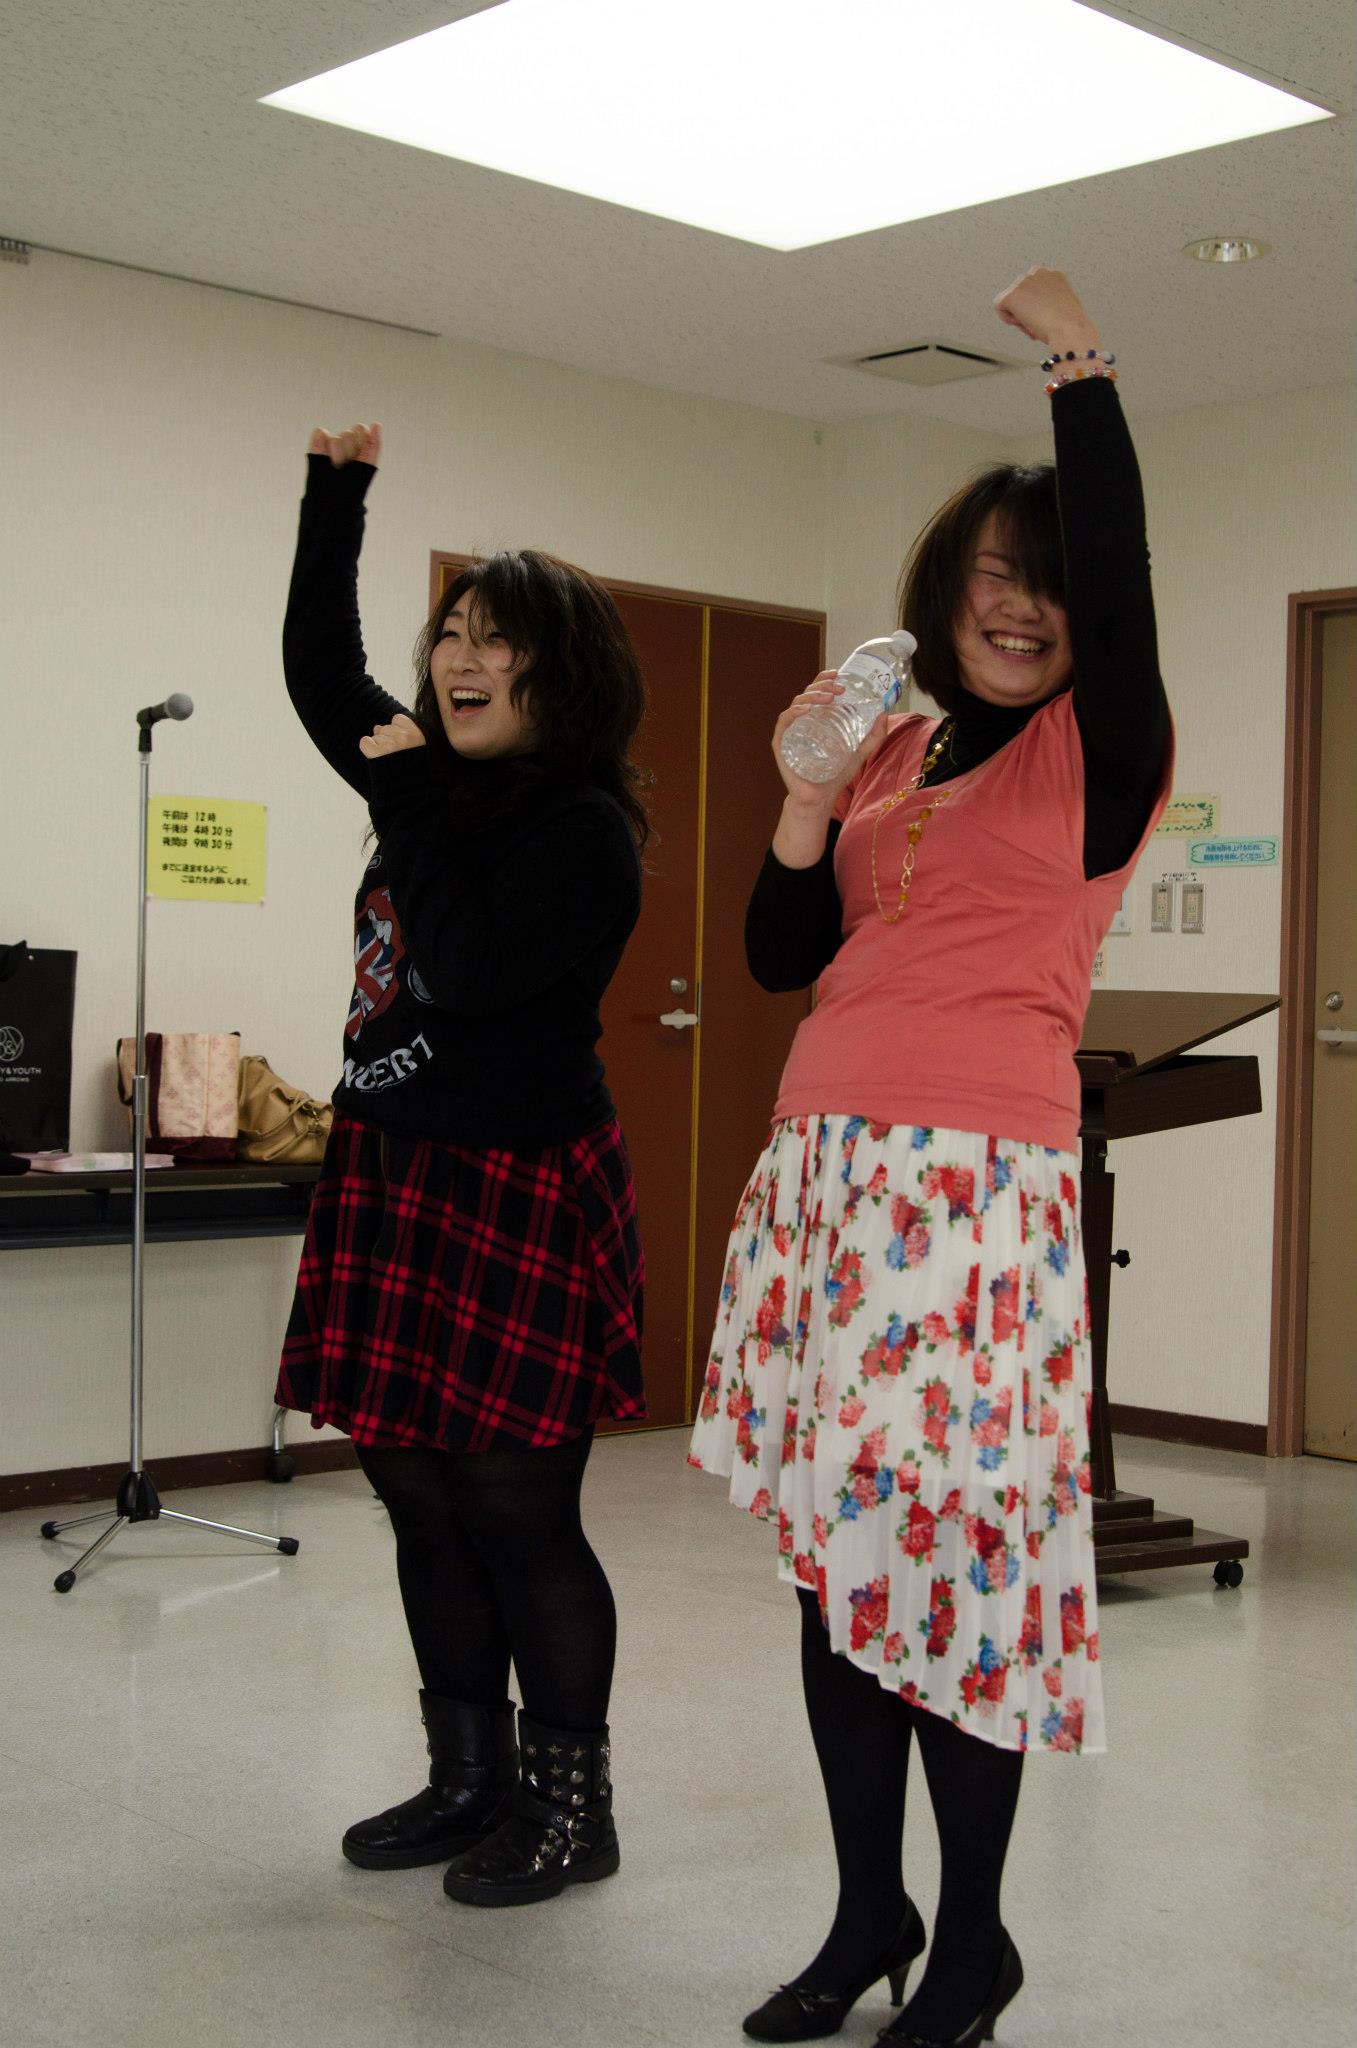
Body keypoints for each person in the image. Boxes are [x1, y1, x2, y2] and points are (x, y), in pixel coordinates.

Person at [689, 268, 1172, 2046]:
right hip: (825, 1176)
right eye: (989, 574)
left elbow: (1115, 576)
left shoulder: (1102, 750)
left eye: (1045, 582)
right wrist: (804, 796)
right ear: (938, 589)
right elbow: (774, 953)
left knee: (956, 1570)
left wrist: (1076, 366)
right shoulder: (888, 742)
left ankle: (971, 1942)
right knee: (840, 1563)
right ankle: (865, 1913)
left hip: (971, 1194)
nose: (1020, 606)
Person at [274, 420, 649, 1907]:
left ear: (564, 675)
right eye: (452, 635)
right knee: (416, 1496)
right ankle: (467, 1777)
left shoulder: (583, 828)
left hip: (516, 1186)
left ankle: (570, 1806)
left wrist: (414, 799)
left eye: (499, 641)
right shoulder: (422, 778)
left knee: (515, 1511)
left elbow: (482, 971)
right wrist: (336, 497)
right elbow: (320, 671)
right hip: (391, 1174)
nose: (460, 661)